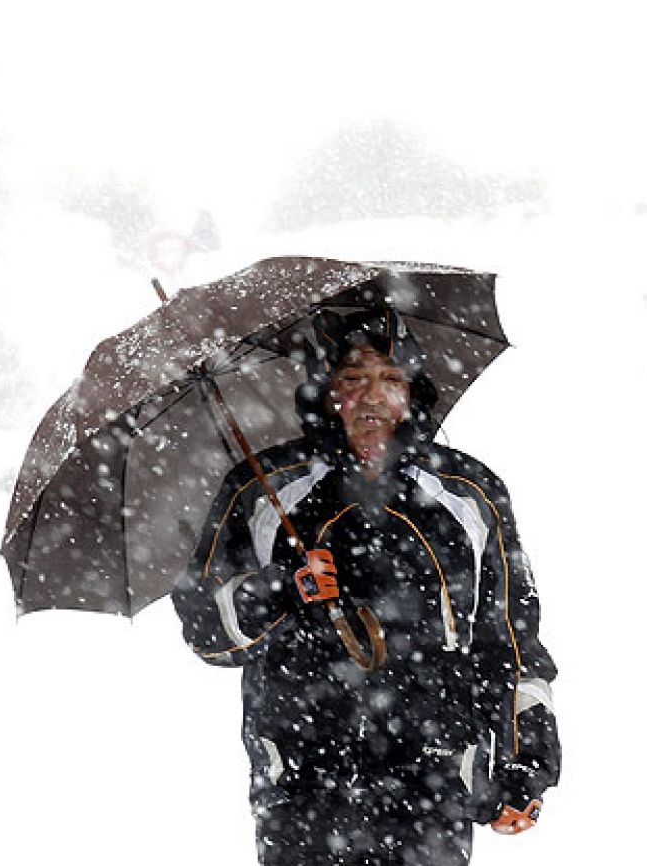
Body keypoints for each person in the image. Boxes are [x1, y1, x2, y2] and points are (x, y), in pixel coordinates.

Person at [172, 307, 560, 865]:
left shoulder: (469, 493)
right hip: (301, 774)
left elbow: (512, 642)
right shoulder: (261, 491)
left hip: (433, 773)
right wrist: (280, 590)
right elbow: (205, 631)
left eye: (392, 380)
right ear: (326, 391)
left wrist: (525, 764)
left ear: (413, 391)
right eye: (353, 380)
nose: (372, 398)